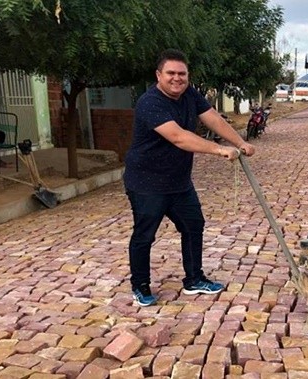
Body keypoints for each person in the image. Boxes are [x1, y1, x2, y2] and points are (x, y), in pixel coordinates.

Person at [123, 49, 255, 306]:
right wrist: (219, 149)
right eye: (170, 73)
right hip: (146, 183)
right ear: (158, 75)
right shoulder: (150, 102)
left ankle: (194, 279)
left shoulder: (190, 95)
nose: (177, 78)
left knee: (193, 225)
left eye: (181, 73)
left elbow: (213, 119)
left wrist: (240, 142)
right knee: (144, 235)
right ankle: (140, 286)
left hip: (178, 182)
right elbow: (178, 136)